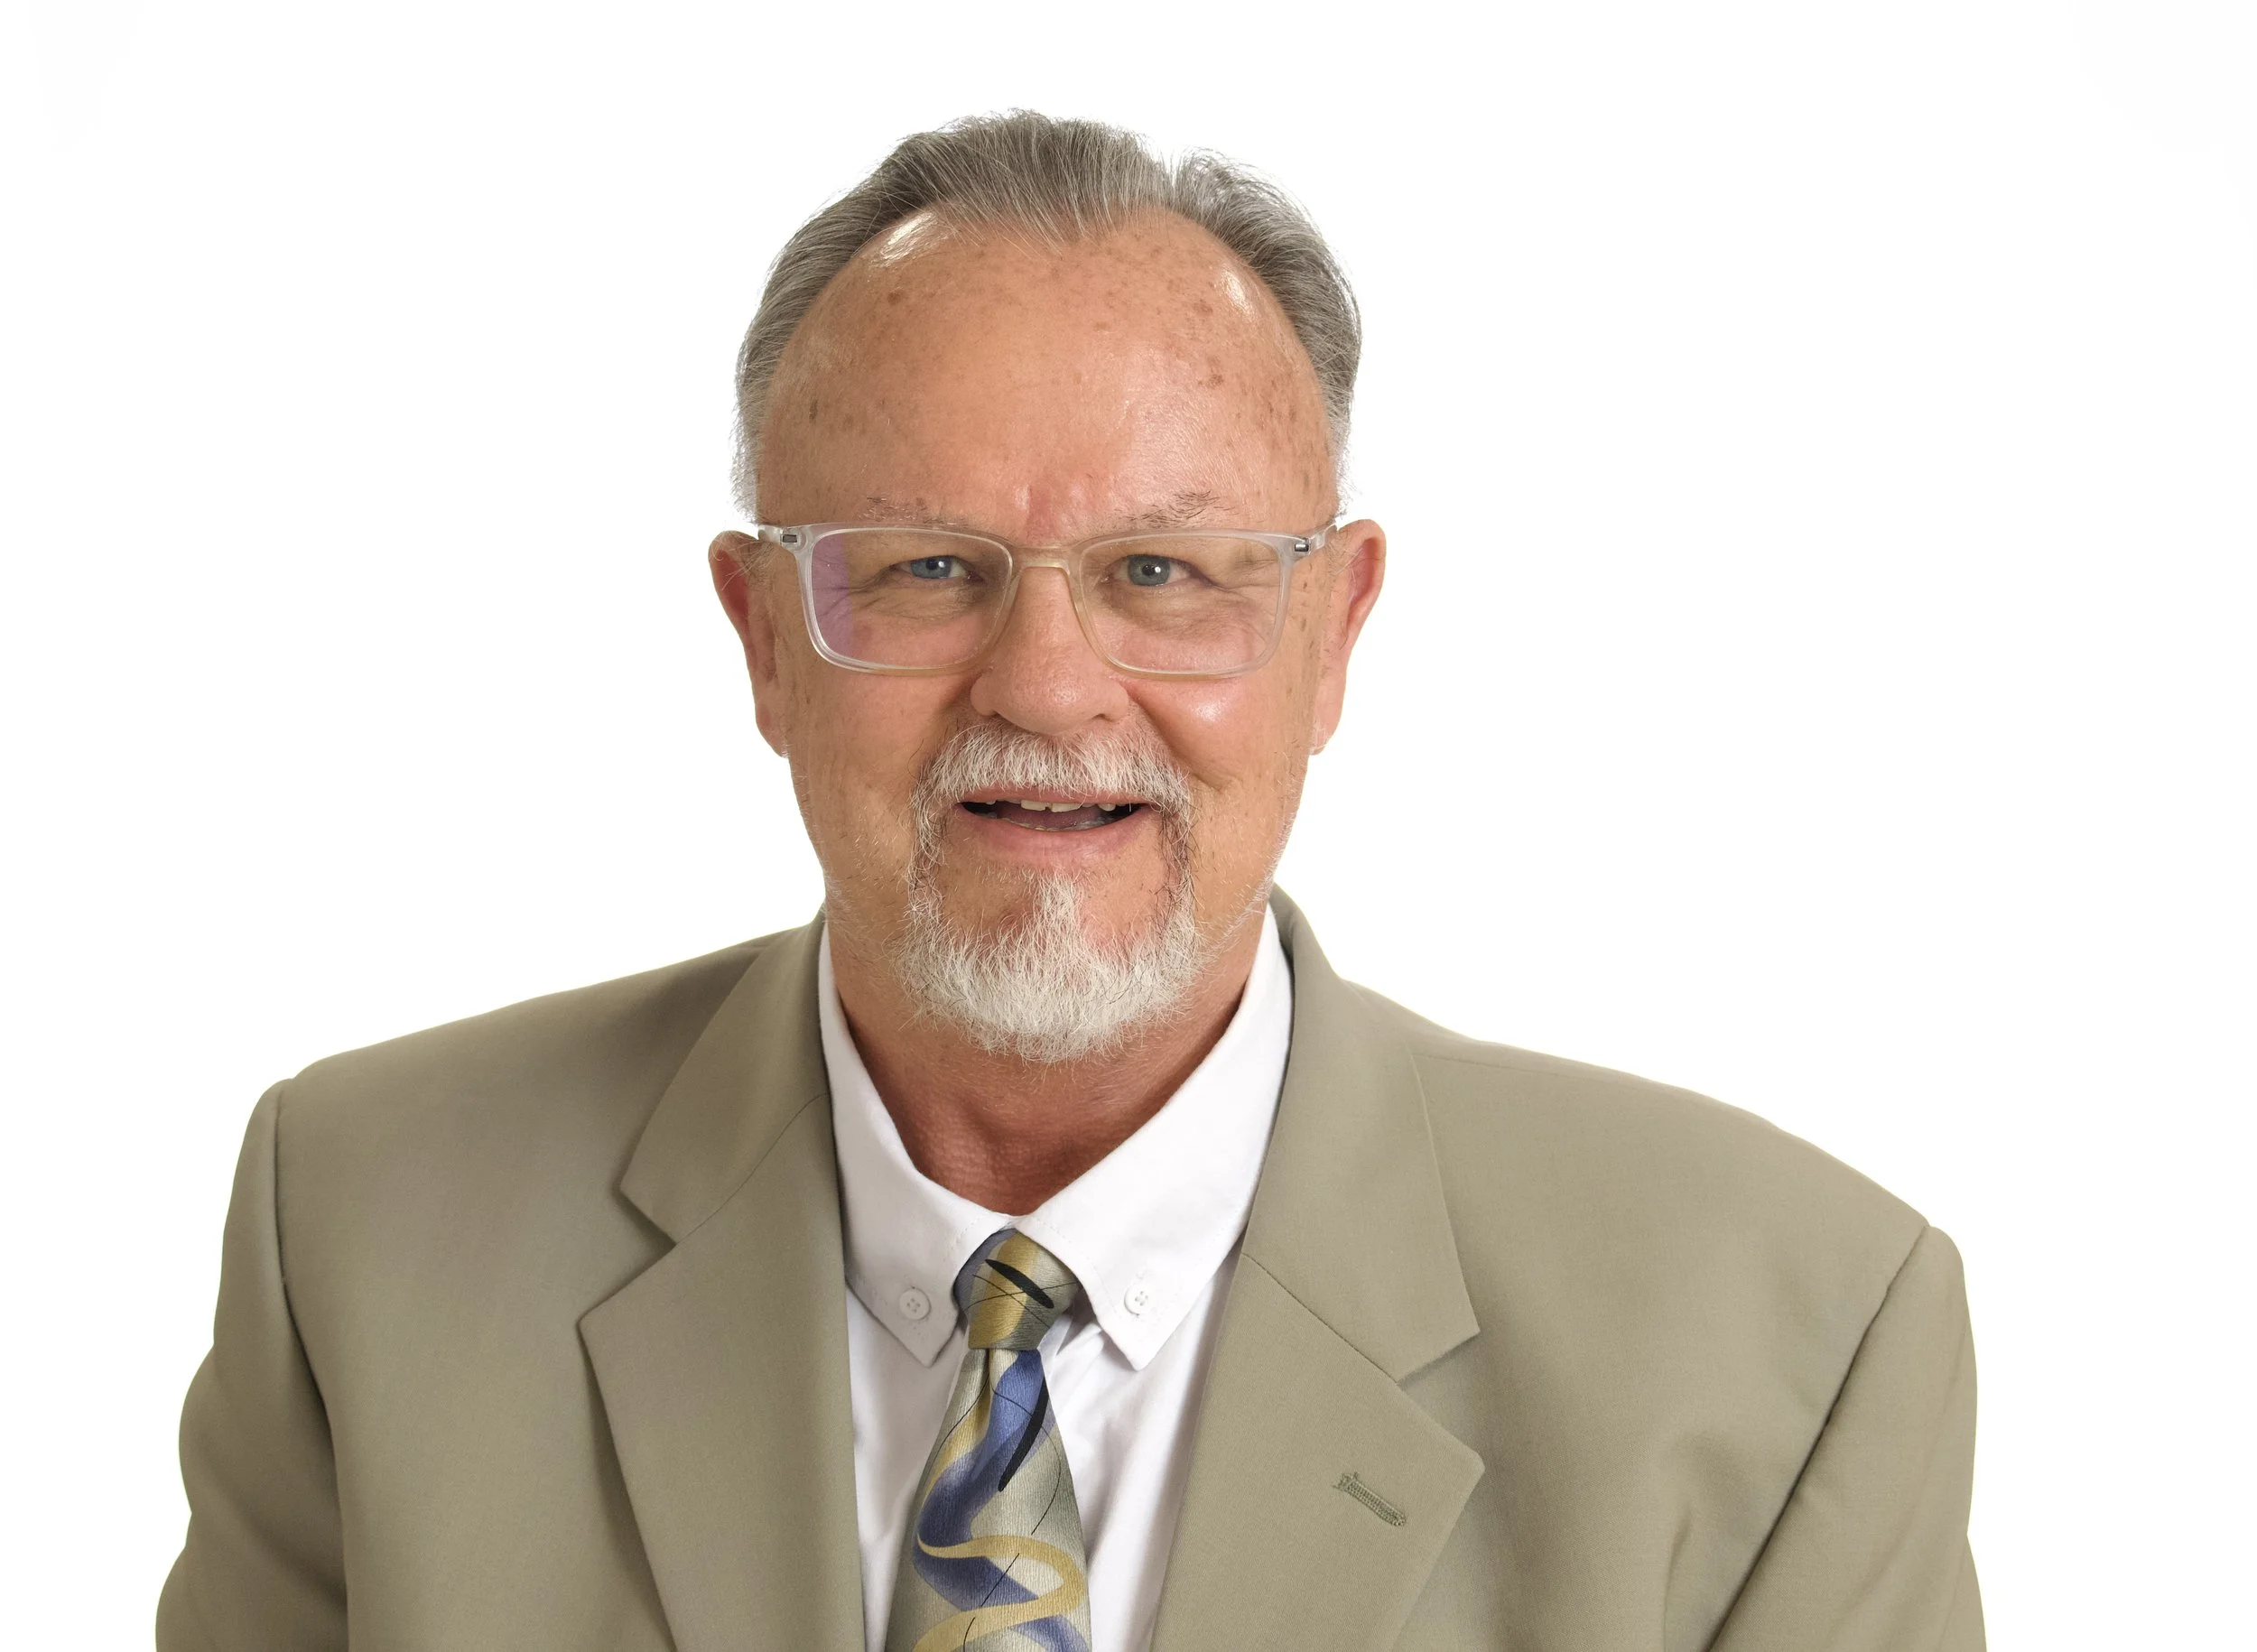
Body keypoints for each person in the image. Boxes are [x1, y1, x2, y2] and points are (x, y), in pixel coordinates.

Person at [159, 112, 1982, 1652]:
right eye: (930, 570)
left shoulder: (1788, 1340)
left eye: (1165, 575)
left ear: (1327, 633)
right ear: (763, 642)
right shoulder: (365, 1236)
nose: (1042, 687)